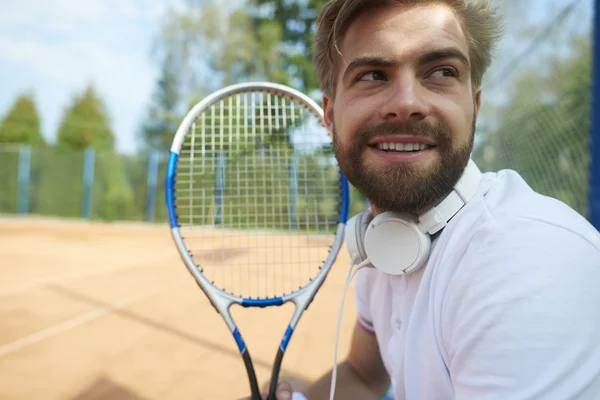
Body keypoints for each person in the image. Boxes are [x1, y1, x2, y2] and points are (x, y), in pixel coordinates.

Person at [265, 0, 600, 399]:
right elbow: (362, 374)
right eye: (373, 75)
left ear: (473, 107)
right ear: (330, 115)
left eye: (442, 72)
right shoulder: (383, 245)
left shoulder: (529, 262)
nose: (406, 102)